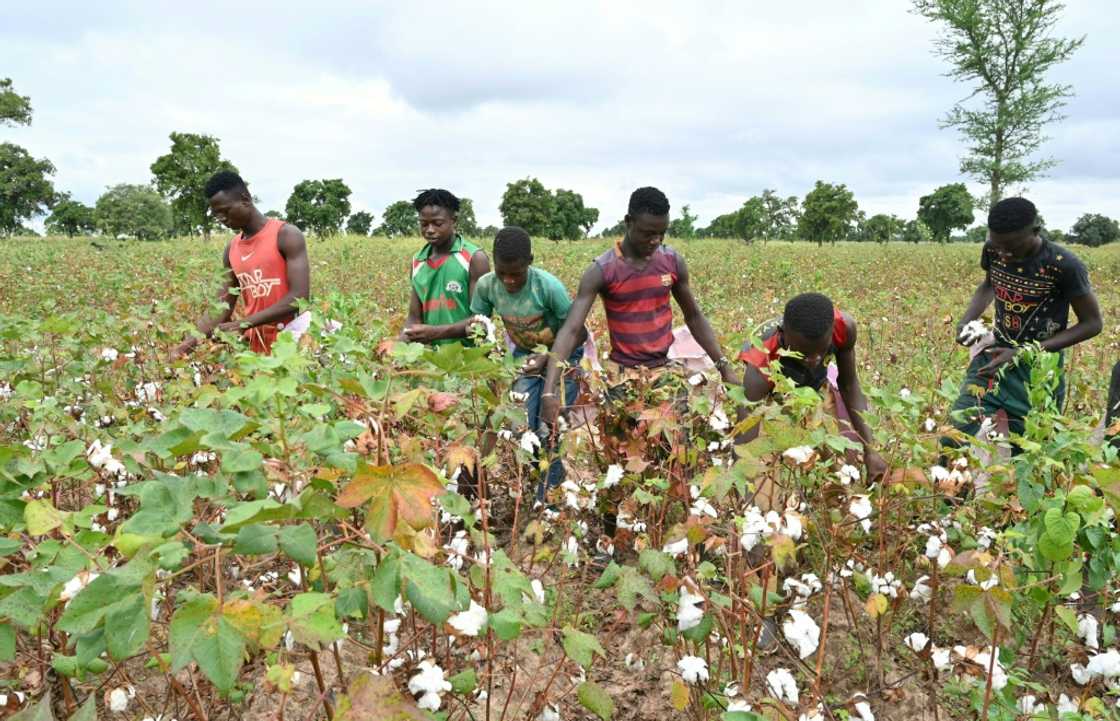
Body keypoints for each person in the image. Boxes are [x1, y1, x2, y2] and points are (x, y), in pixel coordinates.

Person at [540, 186, 737, 428]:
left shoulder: (671, 262)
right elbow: (571, 329)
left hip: (665, 372)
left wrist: (724, 367)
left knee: (676, 450)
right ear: (628, 222)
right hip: (620, 376)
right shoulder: (602, 270)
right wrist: (548, 391)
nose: (655, 241)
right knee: (622, 455)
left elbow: (694, 317)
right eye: (647, 233)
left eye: (661, 233)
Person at [950, 197, 1102, 439]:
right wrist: (965, 320)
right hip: (993, 354)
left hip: (1038, 369)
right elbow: (989, 285)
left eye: (1012, 247)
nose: (1004, 254)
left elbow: (1093, 324)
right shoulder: (993, 249)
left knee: (1031, 447)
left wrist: (1024, 352)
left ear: (1035, 231)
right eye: (998, 245)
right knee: (957, 431)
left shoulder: (1064, 266)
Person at [470, 227, 587, 498]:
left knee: (550, 427)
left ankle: (549, 500)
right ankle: (542, 477)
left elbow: (577, 332)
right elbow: (479, 326)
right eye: (503, 273)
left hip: (564, 356)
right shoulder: (487, 286)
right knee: (522, 426)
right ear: (494, 265)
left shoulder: (547, 287)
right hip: (524, 358)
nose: (509, 280)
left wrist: (547, 356)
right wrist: (492, 363)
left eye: (516, 274)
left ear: (530, 262)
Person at [736, 292, 887, 481]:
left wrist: (870, 449)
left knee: (844, 458)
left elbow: (849, 384)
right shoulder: (760, 363)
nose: (814, 360)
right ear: (783, 335)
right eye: (803, 354)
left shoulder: (843, 327)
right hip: (775, 388)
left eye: (821, 351)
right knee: (773, 461)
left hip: (817, 384)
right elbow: (745, 440)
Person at [172, 171, 310, 358]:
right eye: (216, 214)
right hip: (256, 346)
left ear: (245, 199)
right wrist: (186, 345)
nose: (221, 218)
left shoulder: (286, 235)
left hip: (292, 341)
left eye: (225, 210)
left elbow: (299, 297)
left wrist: (242, 324)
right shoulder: (232, 249)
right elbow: (221, 307)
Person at [402, 189, 490, 345]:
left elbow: (481, 320)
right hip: (430, 362)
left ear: (454, 220)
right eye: (424, 224)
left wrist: (435, 333)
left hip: (469, 358)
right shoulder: (418, 262)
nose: (429, 230)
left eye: (437, 223)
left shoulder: (474, 259)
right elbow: (414, 318)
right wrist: (398, 346)